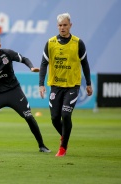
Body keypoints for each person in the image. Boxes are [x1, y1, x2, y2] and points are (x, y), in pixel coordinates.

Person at [39, 13, 93, 157]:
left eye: (65, 25)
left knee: (65, 114)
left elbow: (85, 63)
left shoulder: (78, 43)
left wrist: (88, 83)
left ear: (70, 25)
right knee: (55, 118)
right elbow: (44, 64)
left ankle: (63, 147)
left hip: (72, 86)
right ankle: (65, 137)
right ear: (57, 26)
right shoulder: (50, 43)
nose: (62, 28)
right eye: (60, 25)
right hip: (55, 86)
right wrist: (41, 84)